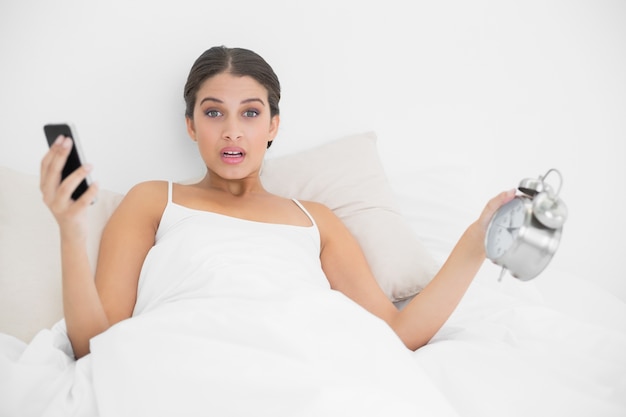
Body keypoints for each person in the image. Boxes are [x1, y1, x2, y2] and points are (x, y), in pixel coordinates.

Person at [40, 46, 514, 361]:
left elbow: (397, 334)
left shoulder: (316, 220)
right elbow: (94, 348)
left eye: (250, 112)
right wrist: (69, 230)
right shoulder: (153, 200)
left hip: (305, 360)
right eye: (213, 112)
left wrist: (476, 241)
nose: (232, 131)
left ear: (273, 126)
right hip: (186, 357)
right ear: (190, 125)